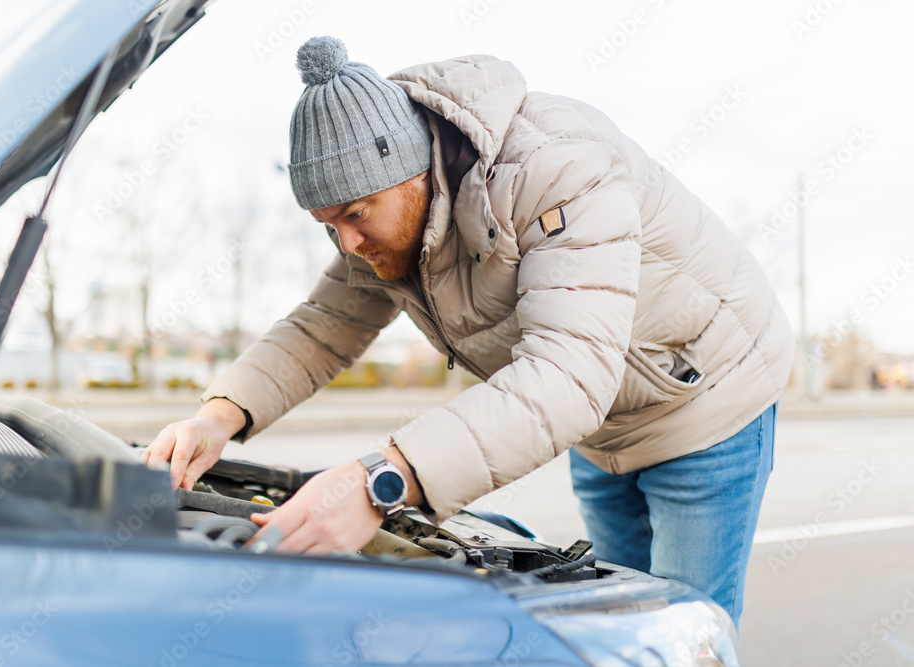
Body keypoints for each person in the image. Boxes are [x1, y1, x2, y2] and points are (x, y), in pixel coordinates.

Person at [142, 36, 794, 629]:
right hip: (602, 426)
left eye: (354, 215)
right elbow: (323, 325)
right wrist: (217, 417)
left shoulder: (556, 169)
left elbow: (566, 377)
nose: (347, 242)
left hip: (704, 401)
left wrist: (379, 480)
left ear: (411, 172)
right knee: (618, 623)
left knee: (675, 631)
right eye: (326, 224)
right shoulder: (388, 220)